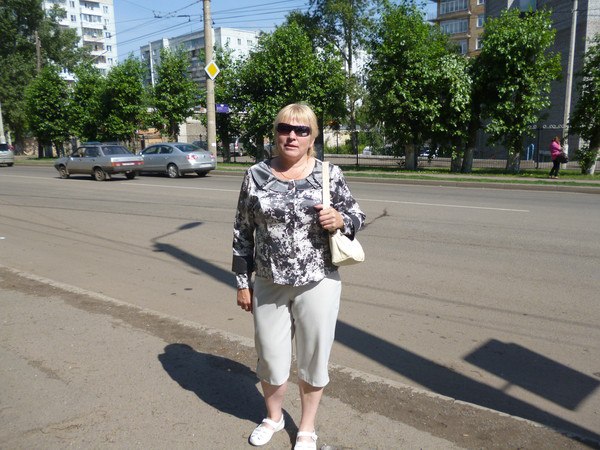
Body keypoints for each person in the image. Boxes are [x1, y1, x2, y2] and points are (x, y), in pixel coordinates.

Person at [232, 103, 365, 449]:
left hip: (318, 280)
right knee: (270, 356)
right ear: (275, 133)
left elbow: (357, 215)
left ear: (312, 137)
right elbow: (242, 232)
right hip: (268, 281)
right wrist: (243, 284)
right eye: (285, 128)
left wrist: (341, 220)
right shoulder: (255, 175)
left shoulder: (328, 174)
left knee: (313, 358)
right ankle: (274, 418)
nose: (292, 136)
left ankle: (306, 428)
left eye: (301, 130)